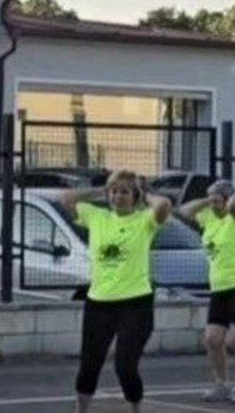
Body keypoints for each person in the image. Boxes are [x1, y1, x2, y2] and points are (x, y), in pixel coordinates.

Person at [60, 171, 172, 413]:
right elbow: (67, 198)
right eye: (114, 191)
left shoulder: (144, 220)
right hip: (98, 303)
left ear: (134, 197)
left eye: (124, 192)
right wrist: (101, 189)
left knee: (125, 366)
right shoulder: (96, 216)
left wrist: (146, 194)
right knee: (89, 365)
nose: (118, 196)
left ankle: (136, 408)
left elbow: (164, 205)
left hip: (135, 304)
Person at [175, 180, 235, 406]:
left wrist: (232, 195)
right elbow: (184, 211)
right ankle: (221, 385)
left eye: (217, 200)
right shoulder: (210, 218)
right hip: (220, 287)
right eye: (211, 201)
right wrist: (209, 198)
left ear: (227, 199)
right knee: (212, 339)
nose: (213, 205)